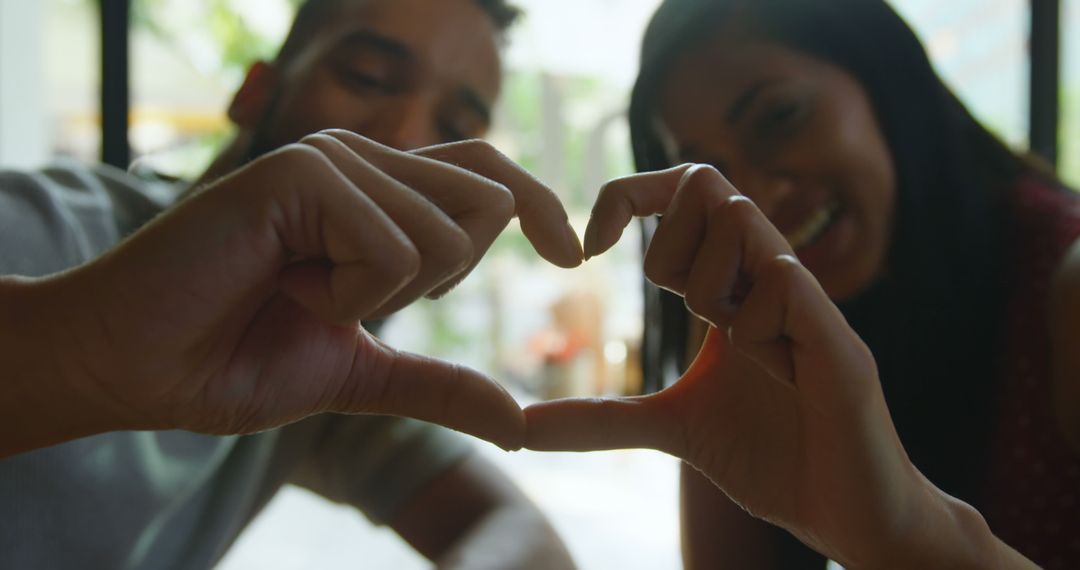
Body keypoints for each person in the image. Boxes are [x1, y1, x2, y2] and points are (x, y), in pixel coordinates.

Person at [0, 0, 579, 568]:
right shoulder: (42, 228)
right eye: (368, 77)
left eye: (455, 127)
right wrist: (84, 350)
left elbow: (515, 530)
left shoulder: (315, 359)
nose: (406, 136)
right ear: (254, 93)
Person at [525, 0, 1080, 568]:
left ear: (886, 79)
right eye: (709, 175)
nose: (754, 200)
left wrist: (909, 533)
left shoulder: (1064, 286)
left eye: (779, 117)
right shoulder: (761, 324)